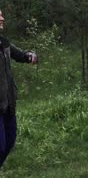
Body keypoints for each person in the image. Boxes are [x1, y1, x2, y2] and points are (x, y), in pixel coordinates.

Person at [0, 10, 37, 168]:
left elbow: (19, 54)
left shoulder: (4, 42)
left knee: (9, 141)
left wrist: (29, 56)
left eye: (1, 15)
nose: (2, 18)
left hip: (8, 103)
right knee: (0, 146)